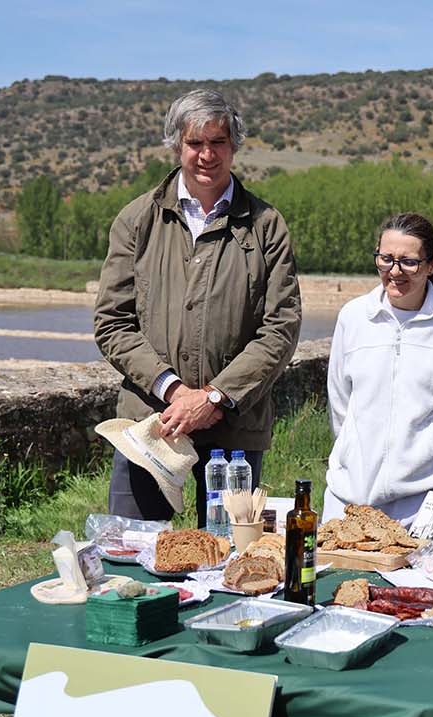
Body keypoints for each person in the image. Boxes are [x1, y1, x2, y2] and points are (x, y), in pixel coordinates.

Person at [94, 89, 300, 526]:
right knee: (136, 553)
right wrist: (172, 390)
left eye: (218, 142)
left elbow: (279, 329)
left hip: (233, 428)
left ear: (234, 147)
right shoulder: (137, 220)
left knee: (230, 560)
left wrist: (214, 398)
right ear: (176, 145)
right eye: (195, 143)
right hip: (150, 424)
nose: (207, 155)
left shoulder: (266, 226)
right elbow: (113, 322)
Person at [323, 213, 433, 527]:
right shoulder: (353, 317)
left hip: (430, 503)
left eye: (409, 262)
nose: (394, 272)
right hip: (350, 500)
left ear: (432, 264)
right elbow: (340, 404)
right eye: (386, 259)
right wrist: (354, 455)